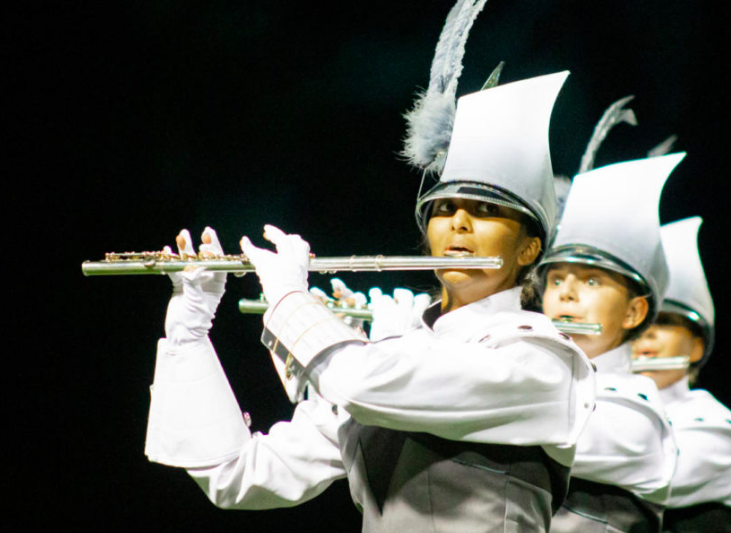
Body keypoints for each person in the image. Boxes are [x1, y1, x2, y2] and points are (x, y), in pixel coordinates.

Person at [145, 66, 596, 532]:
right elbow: (239, 475)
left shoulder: (543, 362)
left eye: (485, 211)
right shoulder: (401, 353)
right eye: (443, 209)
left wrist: (290, 298)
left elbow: (360, 383)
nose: (458, 223)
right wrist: (189, 331)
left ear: (528, 248)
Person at [537, 154, 682, 532]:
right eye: (555, 280)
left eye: (590, 282)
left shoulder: (637, 411)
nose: (566, 294)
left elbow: (508, 417)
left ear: (633, 312)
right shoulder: (531, 369)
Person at [632, 217, 731, 532]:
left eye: (662, 322)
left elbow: (650, 475)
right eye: (636, 321)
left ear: (696, 348)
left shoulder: (719, 431)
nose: (645, 335)